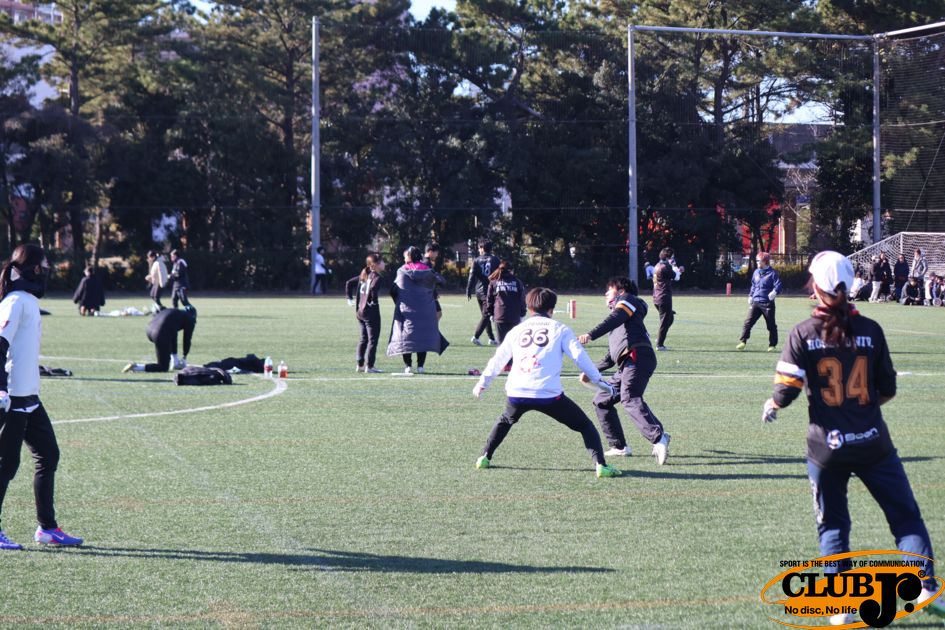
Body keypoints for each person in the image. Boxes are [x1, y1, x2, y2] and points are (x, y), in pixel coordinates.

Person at [761, 250, 944, 625]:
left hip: (826, 448)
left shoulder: (803, 332)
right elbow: (887, 389)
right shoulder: (871, 330)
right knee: (905, 517)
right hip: (873, 442)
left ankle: (841, 603)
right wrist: (860, 412)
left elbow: (786, 391)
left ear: (816, 287)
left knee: (833, 526)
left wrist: (773, 403)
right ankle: (924, 586)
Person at [472, 287, 620, 479]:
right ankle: (601, 465)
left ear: (529, 308)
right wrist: (600, 382)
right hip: (548, 395)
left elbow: (498, 359)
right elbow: (579, 357)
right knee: (585, 426)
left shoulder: (517, 330)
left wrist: (483, 382)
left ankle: (484, 457)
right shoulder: (560, 329)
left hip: (517, 392)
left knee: (505, 420)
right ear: (552, 309)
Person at [0, 244, 83, 550]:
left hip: (30, 396)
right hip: (12, 397)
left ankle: (47, 528)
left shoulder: (27, 300)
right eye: (44, 265)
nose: (47, 271)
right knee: (6, 464)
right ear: (34, 268)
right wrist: (1, 388)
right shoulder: (14, 302)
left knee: (48, 455)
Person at [579, 276, 671, 464]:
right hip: (627, 363)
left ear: (621, 291)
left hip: (637, 357)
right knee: (601, 400)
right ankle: (619, 446)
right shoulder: (621, 323)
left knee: (629, 396)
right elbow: (610, 356)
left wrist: (591, 334)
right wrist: (591, 370)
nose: (606, 293)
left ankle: (658, 438)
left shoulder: (628, 300)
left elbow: (617, 316)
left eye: (609, 289)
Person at [386, 246, 448, 374]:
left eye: (405, 256)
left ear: (410, 256)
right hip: (425, 310)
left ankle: (408, 366)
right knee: (422, 337)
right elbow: (441, 282)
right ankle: (420, 366)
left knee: (405, 337)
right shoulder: (428, 270)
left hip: (407, 311)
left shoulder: (402, 271)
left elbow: (394, 290)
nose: (404, 258)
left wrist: (400, 302)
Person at [123, 306, 197, 373]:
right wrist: (184, 357)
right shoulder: (189, 318)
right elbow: (187, 339)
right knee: (163, 367)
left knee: (168, 335)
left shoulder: (175, 314)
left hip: (149, 330)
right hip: (160, 333)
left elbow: (173, 334)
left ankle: (174, 360)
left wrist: (174, 357)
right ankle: (136, 367)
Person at [345, 253, 385, 373]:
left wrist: (349, 298)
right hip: (370, 312)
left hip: (360, 311)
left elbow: (348, 283)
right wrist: (373, 301)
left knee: (363, 339)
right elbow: (373, 288)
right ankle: (370, 366)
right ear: (375, 265)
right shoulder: (377, 277)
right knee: (373, 340)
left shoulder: (364, 274)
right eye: (382, 261)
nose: (384, 263)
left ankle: (360, 365)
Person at [737, 252, 783, 352]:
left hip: (767, 303)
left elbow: (778, 285)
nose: (757, 262)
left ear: (765, 261)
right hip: (756, 302)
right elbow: (754, 285)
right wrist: (750, 295)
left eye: (759, 260)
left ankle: (772, 345)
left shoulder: (773, 273)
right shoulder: (756, 272)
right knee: (748, 323)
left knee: (771, 325)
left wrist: (774, 292)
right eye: (757, 260)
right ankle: (743, 341)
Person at [466, 241, 499, 346]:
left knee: (485, 315)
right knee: (486, 315)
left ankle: (492, 339)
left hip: (479, 291)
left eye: (480, 248)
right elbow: (500, 275)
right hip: (490, 291)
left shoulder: (476, 260)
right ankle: (476, 337)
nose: (479, 250)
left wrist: (468, 289)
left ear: (482, 248)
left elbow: (471, 276)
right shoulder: (495, 259)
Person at [651, 247, 677, 351]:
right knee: (665, 321)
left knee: (670, 318)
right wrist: (674, 266)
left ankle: (659, 338)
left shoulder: (657, 265)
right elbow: (675, 276)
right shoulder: (665, 266)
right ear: (668, 256)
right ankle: (659, 344)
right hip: (663, 297)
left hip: (657, 296)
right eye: (672, 256)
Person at [423, 242, 443, 321]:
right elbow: (428, 281)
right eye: (436, 253)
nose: (437, 255)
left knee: (437, 313)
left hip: (427, 293)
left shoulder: (424, 261)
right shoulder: (426, 263)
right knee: (438, 313)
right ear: (431, 251)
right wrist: (434, 293)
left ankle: (430, 328)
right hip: (428, 294)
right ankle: (430, 328)